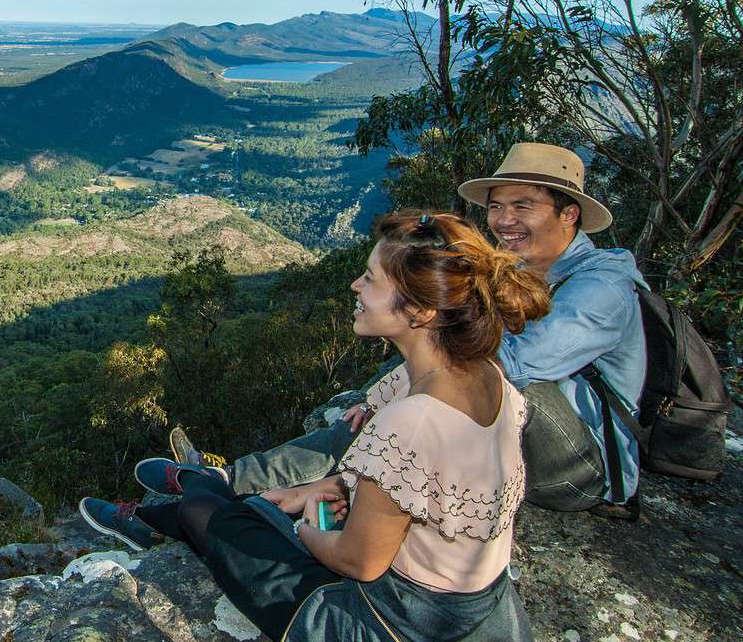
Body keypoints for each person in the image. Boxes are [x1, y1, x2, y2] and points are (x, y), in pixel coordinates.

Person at [79, 211, 545, 642]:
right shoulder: (486, 376)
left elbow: (358, 561)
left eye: (371, 279)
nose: (355, 287)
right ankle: (177, 500)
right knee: (257, 506)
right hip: (476, 616)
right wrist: (322, 488)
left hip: (397, 635)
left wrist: (304, 526)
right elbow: (425, 483)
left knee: (218, 516)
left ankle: (173, 504)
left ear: (420, 311)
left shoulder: (412, 419)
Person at [191, 143, 648, 518]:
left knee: (446, 372)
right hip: (517, 440)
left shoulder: (603, 286)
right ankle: (236, 481)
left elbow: (513, 364)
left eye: (523, 206)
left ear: (568, 214)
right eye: (496, 207)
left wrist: (399, 395)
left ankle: (236, 484)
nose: (504, 221)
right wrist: (380, 394)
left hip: (581, 468)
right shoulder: (518, 269)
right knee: (419, 364)